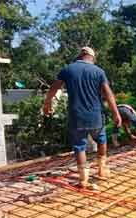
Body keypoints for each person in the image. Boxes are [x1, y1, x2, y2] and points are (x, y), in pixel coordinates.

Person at [43, 46, 121, 188]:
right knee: (101, 139)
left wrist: (47, 104)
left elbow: (54, 88)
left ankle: (83, 179)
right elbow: (108, 94)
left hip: (76, 115)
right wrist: (116, 113)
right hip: (96, 115)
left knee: (80, 146)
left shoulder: (68, 69)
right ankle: (102, 169)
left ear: (80, 56)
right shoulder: (98, 71)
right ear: (92, 57)